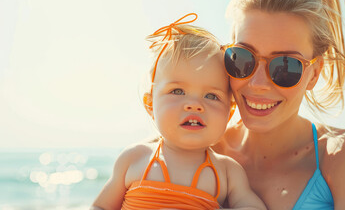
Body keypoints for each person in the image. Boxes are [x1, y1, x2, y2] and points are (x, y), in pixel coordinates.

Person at [213, 0, 345, 209]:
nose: (257, 83)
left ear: (314, 74)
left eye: (285, 66)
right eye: (243, 58)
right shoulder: (194, 150)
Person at [91, 13, 267, 210]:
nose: (194, 105)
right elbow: (100, 207)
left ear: (229, 112)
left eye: (211, 96)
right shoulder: (134, 158)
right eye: (177, 91)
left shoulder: (227, 171)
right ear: (150, 104)